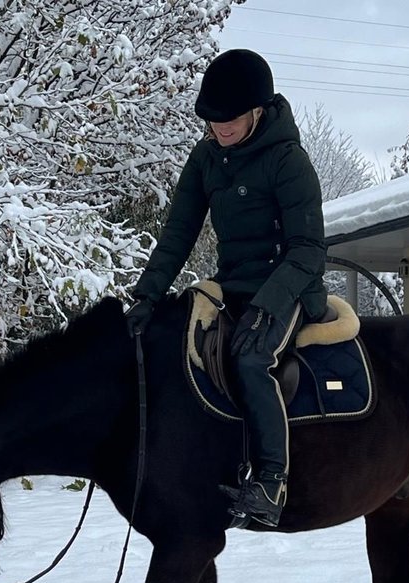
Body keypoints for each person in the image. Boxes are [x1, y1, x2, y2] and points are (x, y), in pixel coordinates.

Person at [124, 48, 327, 529]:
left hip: (288, 285)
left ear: (258, 109)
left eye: (230, 119)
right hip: (232, 284)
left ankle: (271, 482)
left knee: (251, 358)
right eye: (212, 120)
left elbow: (307, 250)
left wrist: (267, 307)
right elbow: (178, 234)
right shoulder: (206, 158)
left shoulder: (288, 160)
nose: (221, 129)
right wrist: (146, 296)